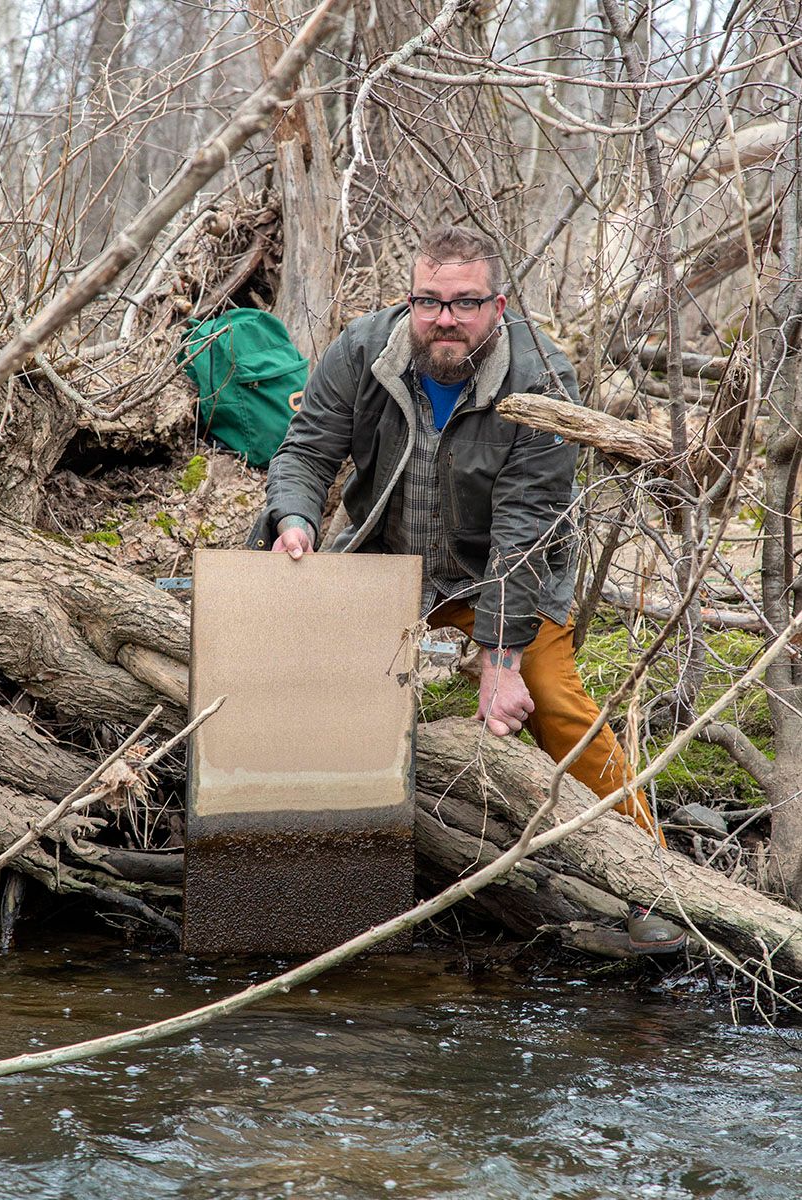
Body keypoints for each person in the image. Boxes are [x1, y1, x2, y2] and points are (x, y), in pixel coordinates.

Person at [248, 224, 684, 954]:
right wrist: (293, 521)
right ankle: (311, 885)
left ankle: (650, 886)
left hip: (504, 576)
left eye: (464, 303)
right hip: (386, 567)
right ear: (409, 299)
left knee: (558, 704)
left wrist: (501, 658)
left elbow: (527, 527)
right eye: (428, 301)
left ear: (497, 304)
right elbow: (307, 448)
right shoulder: (361, 350)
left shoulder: (539, 373)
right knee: (315, 691)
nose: (444, 318)